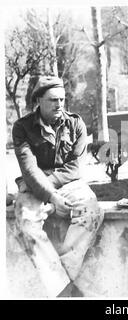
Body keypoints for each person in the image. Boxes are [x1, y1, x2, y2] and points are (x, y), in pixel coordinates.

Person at [12, 76, 103, 297]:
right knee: (26, 223)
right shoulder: (22, 128)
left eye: (62, 99)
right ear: (39, 101)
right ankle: (66, 290)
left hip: (65, 184)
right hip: (36, 188)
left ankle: (61, 281)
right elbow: (29, 168)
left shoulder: (75, 123)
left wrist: (43, 186)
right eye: (53, 100)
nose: (59, 104)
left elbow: (75, 168)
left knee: (93, 212)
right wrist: (50, 195)